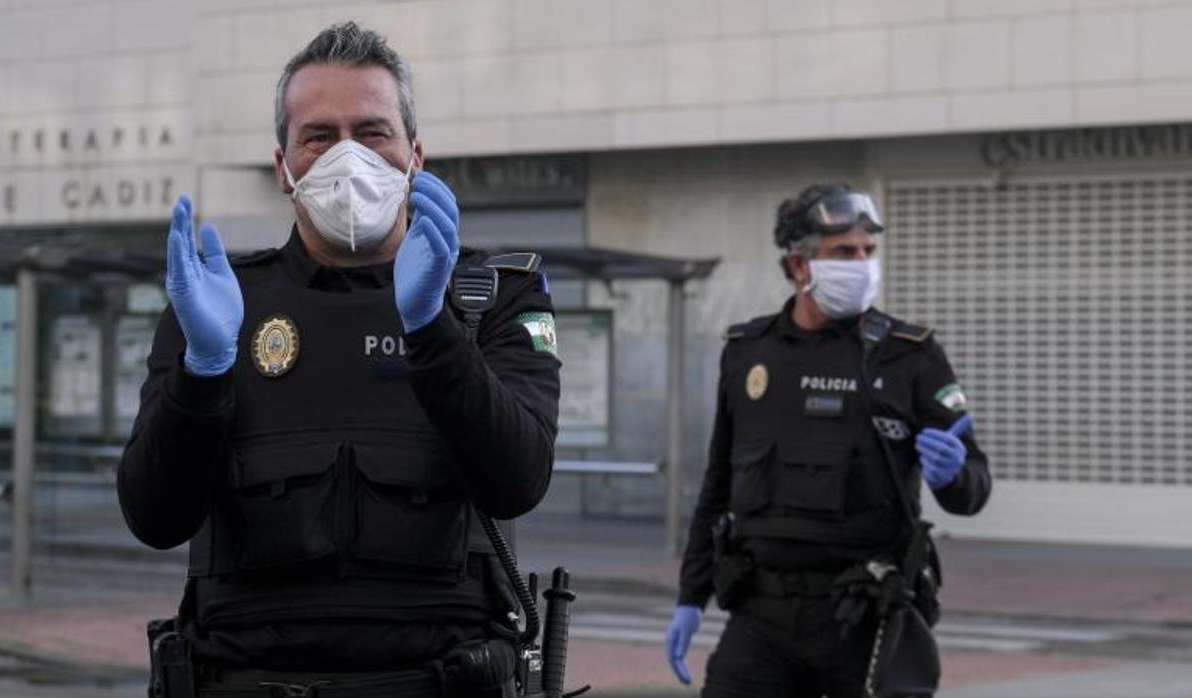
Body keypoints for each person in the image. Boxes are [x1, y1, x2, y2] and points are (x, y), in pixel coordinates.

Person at [117, 22, 560, 697]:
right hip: (245, 678)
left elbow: (518, 479)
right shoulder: (219, 303)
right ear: (283, 166)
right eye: (317, 136)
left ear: (414, 156)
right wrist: (202, 374)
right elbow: (154, 517)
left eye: (372, 131)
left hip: (438, 681)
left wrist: (432, 330)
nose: (345, 157)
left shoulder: (490, 297)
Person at [662, 183, 991, 697]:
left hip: (863, 611)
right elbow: (717, 485)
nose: (862, 265)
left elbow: (975, 484)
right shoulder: (749, 353)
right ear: (798, 266)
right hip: (761, 612)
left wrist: (954, 478)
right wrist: (690, 596)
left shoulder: (909, 356)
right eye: (844, 253)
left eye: (868, 251)